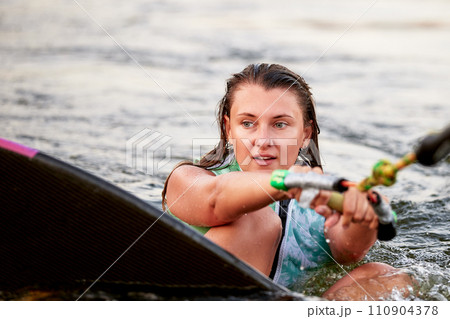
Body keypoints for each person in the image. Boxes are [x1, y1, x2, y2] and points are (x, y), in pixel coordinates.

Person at [162, 63, 413, 300]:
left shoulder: (320, 198)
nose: (262, 140)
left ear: (305, 134)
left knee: (388, 277)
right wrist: (286, 182)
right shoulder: (187, 178)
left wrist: (363, 216)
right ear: (229, 129)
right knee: (258, 219)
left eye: (280, 124)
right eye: (248, 123)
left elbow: (348, 252)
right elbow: (214, 200)